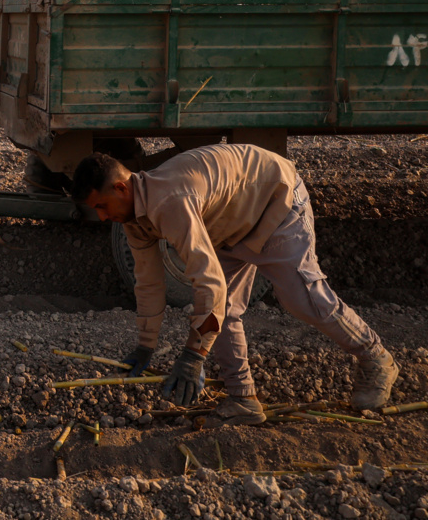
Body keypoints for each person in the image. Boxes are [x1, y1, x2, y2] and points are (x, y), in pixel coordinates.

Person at [71, 144, 399, 425]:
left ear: (121, 188)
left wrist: (193, 357)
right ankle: (243, 398)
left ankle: (376, 357)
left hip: (276, 205)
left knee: (301, 297)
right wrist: (145, 345)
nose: (101, 217)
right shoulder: (134, 219)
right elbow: (148, 283)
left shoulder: (171, 201)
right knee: (223, 312)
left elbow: (209, 286)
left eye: (101, 206)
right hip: (229, 226)